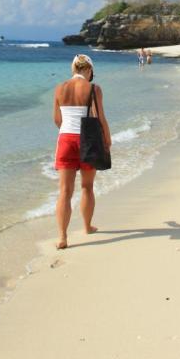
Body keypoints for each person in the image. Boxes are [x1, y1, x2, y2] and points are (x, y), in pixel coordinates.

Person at [52, 54, 111, 249]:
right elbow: (100, 118)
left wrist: (67, 132)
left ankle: (62, 236)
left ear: (73, 69)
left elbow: (57, 120)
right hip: (88, 140)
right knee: (87, 186)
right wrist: (107, 141)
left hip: (65, 139)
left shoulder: (60, 88)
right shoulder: (94, 89)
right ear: (89, 70)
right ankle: (87, 226)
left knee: (65, 191)